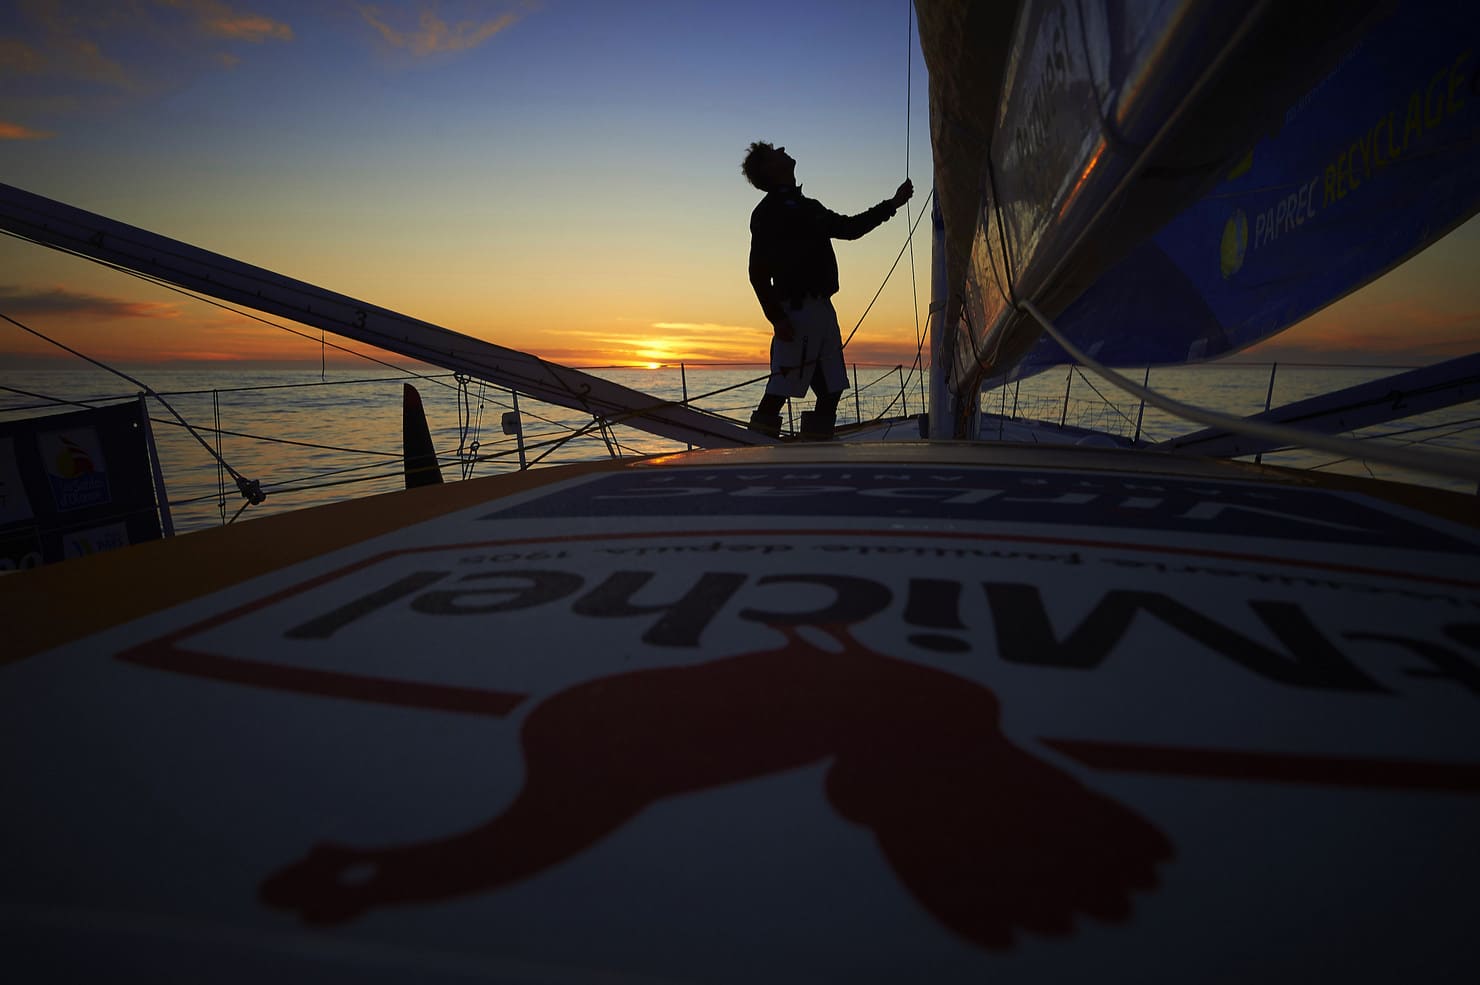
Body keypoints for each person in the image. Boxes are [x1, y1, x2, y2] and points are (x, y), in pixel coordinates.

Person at [741, 141, 912, 439]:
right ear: (769, 169)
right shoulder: (767, 213)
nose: (782, 149)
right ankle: (754, 448)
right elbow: (757, 274)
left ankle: (815, 447)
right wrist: (776, 318)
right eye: (773, 152)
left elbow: (849, 228)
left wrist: (893, 205)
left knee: (832, 389)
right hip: (795, 314)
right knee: (781, 389)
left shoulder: (810, 207)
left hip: (822, 311)